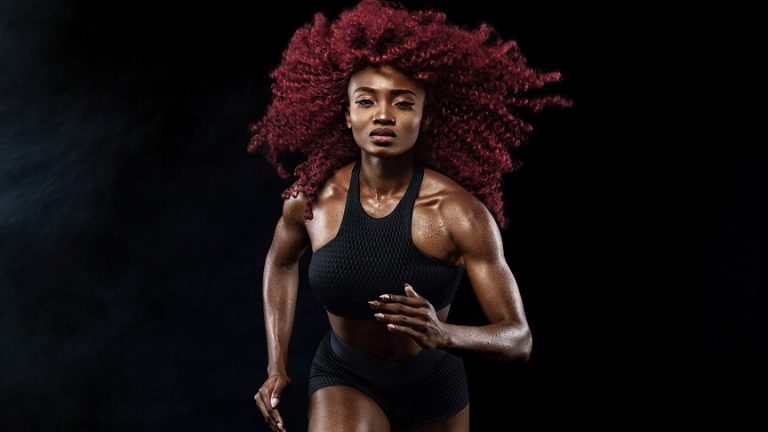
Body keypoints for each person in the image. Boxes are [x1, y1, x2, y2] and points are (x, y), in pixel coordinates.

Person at [248, 1, 568, 430]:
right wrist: (277, 365)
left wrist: (446, 334)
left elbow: (518, 338)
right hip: (345, 375)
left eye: (402, 103)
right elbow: (281, 261)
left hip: (433, 385)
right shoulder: (311, 200)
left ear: (425, 116)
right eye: (366, 101)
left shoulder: (458, 213)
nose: (383, 115)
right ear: (347, 114)